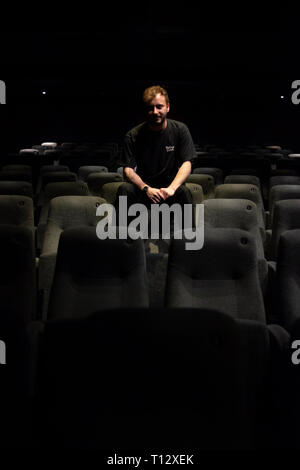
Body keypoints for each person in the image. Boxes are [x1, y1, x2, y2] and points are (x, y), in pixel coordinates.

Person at [118, 85, 196, 217]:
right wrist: (146, 189)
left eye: (159, 106)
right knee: (124, 189)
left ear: (168, 107)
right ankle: (122, 234)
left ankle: (188, 235)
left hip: (169, 187)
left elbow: (187, 163)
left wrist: (171, 189)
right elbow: (128, 170)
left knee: (184, 192)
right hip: (144, 188)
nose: (155, 112)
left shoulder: (180, 130)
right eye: (150, 108)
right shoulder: (133, 135)